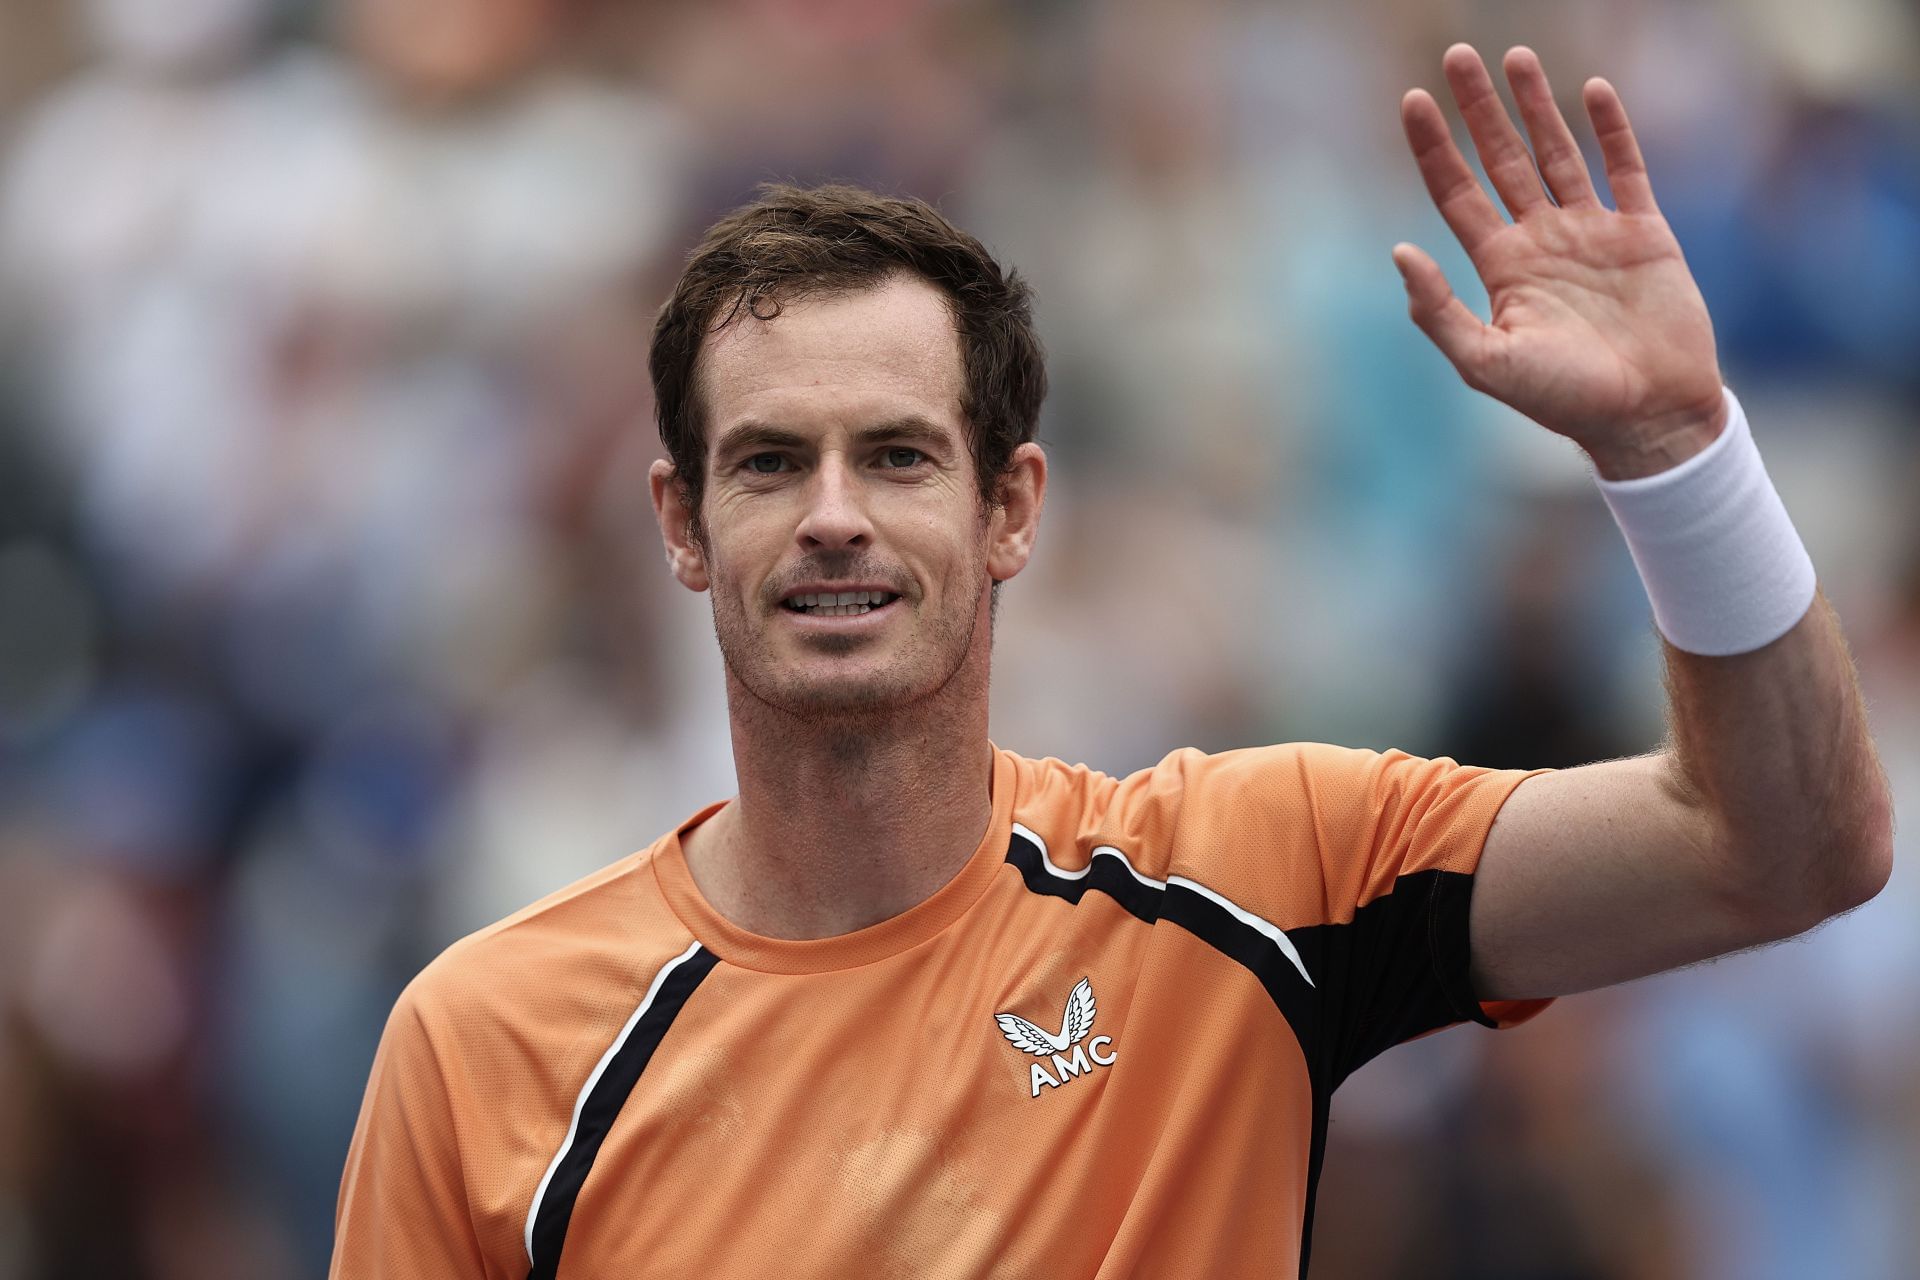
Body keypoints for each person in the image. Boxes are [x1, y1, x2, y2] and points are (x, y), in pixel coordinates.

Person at [328, 44, 1891, 1279]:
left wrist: (1678, 452)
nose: (831, 519)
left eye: (896, 455)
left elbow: (1784, 847)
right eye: (764, 465)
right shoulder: (484, 1043)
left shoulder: (1265, 874)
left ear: (1012, 506)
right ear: (680, 522)